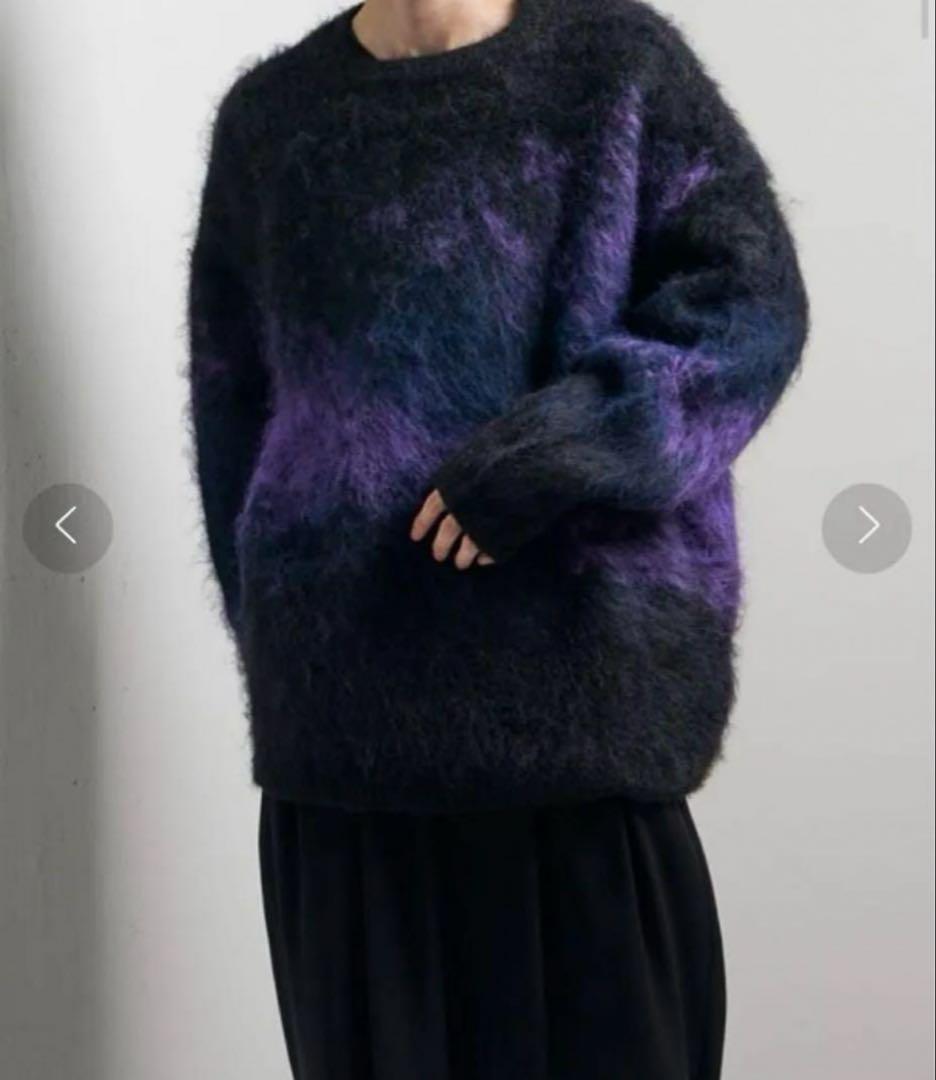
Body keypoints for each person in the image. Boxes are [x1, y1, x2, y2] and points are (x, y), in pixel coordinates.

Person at [185, 0, 809, 1075]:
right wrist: (297, 638)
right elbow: (232, 408)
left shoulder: (616, 68)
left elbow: (748, 309)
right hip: (349, 760)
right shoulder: (273, 119)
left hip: (577, 727)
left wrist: (555, 456)